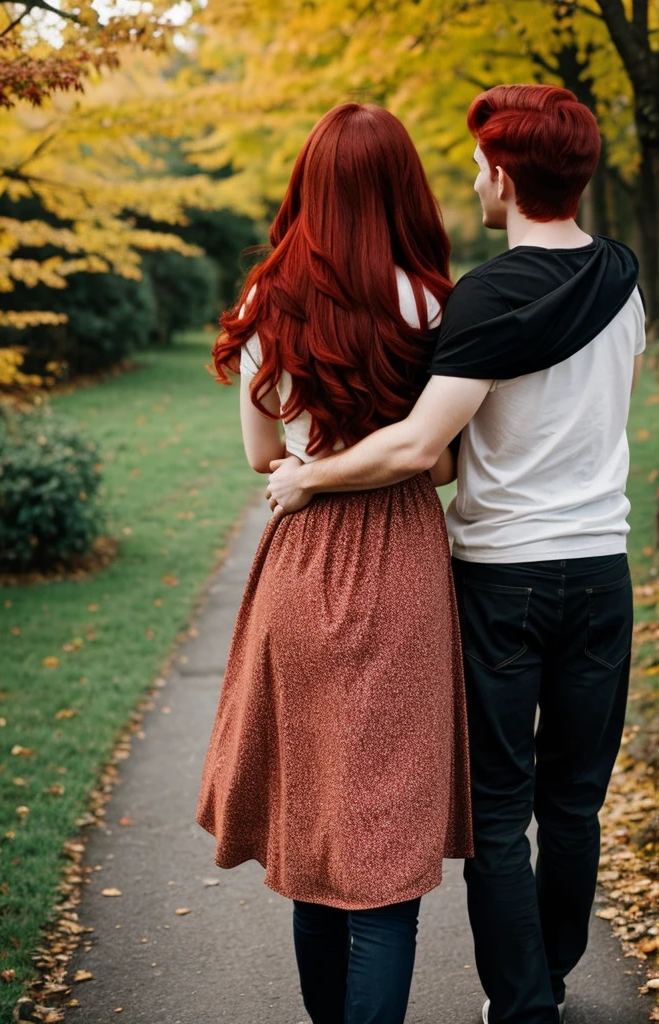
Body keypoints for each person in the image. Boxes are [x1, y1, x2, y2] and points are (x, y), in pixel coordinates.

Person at [267, 84, 646, 1024]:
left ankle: (523, 1008)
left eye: (481, 165)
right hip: (602, 569)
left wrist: (307, 481)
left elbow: (415, 451)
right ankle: (547, 983)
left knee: (499, 813)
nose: (473, 179)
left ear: (506, 178)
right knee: (574, 806)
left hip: (503, 579)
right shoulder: (627, 280)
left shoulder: (483, 298)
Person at [195, 102, 474, 1024]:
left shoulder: (262, 304)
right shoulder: (435, 303)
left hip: (303, 560)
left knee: (314, 833)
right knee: (384, 850)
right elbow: (434, 462)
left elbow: (258, 458)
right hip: (399, 559)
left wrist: (313, 468)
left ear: (308, 185)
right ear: (402, 189)